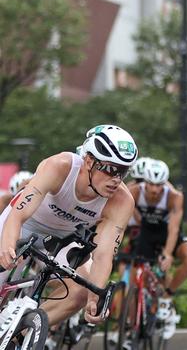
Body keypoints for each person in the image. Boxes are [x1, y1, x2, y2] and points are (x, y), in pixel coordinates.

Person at [0, 125, 138, 326]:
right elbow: (18, 214)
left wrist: (94, 297)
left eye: (123, 172)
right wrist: (8, 246)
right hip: (24, 224)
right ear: (89, 161)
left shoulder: (122, 201)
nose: (116, 179)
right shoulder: (60, 166)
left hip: (62, 240)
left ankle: (20, 332)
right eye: (110, 169)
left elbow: (104, 255)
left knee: (81, 291)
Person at [128, 159, 187, 339]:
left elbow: (174, 228)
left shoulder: (174, 196)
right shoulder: (134, 191)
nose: (154, 189)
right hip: (147, 233)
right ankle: (132, 329)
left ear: (165, 183)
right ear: (144, 181)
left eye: (159, 185)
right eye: (151, 184)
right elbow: (121, 220)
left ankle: (167, 298)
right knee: (135, 279)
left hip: (168, 234)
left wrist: (167, 254)